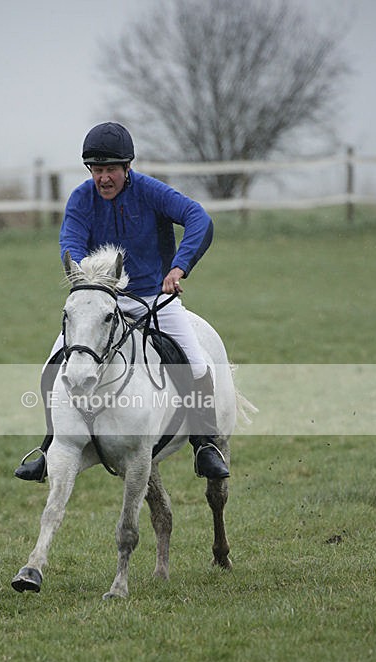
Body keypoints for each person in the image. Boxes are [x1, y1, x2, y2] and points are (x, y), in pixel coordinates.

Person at [15, 121, 229, 482]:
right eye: (97, 170)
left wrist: (179, 268)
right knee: (54, 366)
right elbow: (71, 240)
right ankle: (49, 444)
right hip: (102, 301)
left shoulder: (150, 192)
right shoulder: (81, 198)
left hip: (153, 299)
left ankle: (205, 444)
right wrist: (87, 279)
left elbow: (198, 218)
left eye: (111, 169)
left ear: (127, 168)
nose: (103, 178)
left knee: (194, 363)